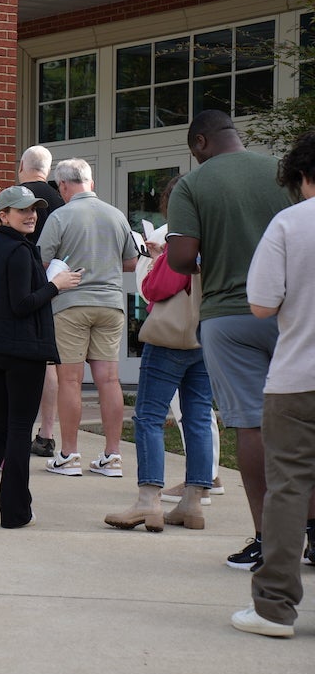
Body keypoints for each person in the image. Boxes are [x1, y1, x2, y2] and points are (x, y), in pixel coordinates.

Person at [166, 109, 296, 572]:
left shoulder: (192, 185)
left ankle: (267, 538)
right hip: (292, 314)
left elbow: (181, 257)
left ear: (201, 142)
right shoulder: (282, 171)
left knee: (251, 424)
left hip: (228, 316)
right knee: (304, 421)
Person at [0, 186, 81, 527]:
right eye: (22, 210)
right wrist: (57, 285)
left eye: (34, 210)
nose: (31, 215)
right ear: (3, 215)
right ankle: (15, 512)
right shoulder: (21, 252)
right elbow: (22, 304)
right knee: (19, 431)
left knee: (0, 428)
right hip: (21, 352)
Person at [233, 131, 315, 638]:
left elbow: (262, 305)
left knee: (288, 486)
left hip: (297, 377)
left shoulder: (290, 223)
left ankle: (274, 609)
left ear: (302, 175)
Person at [104, 176, 214, 532]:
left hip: (170, 341)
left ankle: (148, 500)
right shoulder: (220, 238)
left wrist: (153, 259)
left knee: (149, 416)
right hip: (207, 337)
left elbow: (155, 287)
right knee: (197, 416)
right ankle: (193, 503)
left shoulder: (180, 243)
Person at [37, 158, 138, 477]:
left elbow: (41, 262)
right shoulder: (116, 215)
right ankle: (112, 455)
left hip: (70, 305)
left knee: (70, 380)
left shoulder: (60, 216)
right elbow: (133, 262)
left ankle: (68, 454)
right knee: (109, 380)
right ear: (90, 183)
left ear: (63, 185)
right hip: (111, 305)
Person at [18, 146, 67, 457]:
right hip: (57, 288)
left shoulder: (16, 197)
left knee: (19, 363)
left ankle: (17, 429)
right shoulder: (63, 201)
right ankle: (46, 434)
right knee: (49, 363)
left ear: (23, 166)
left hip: (23, 286)